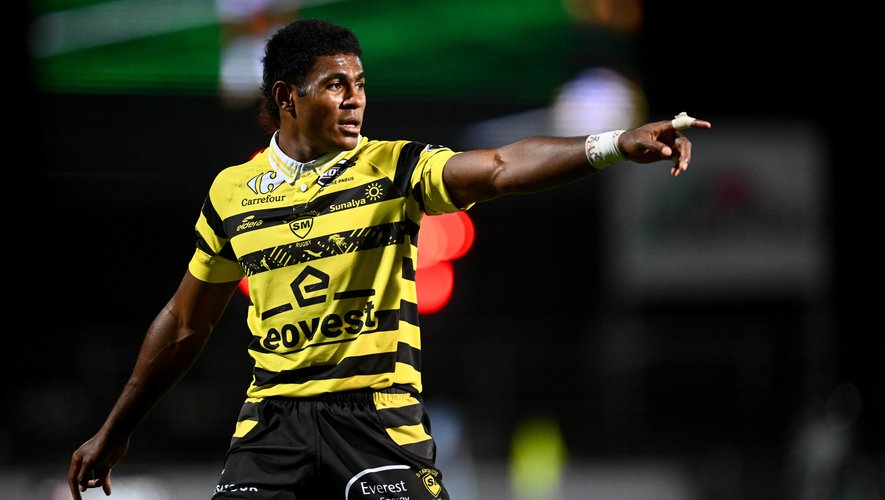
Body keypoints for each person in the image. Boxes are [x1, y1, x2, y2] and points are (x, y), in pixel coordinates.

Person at [68, 18, 711, 500]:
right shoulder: (231, 192)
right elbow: (186, 321)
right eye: (336, 85)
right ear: (288, 97)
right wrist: (116, 428)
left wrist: (612, 144)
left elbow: (500, 166)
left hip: (377, 420)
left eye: (360, 85)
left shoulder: (394, 166)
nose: (356, 98)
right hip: (271, 425)